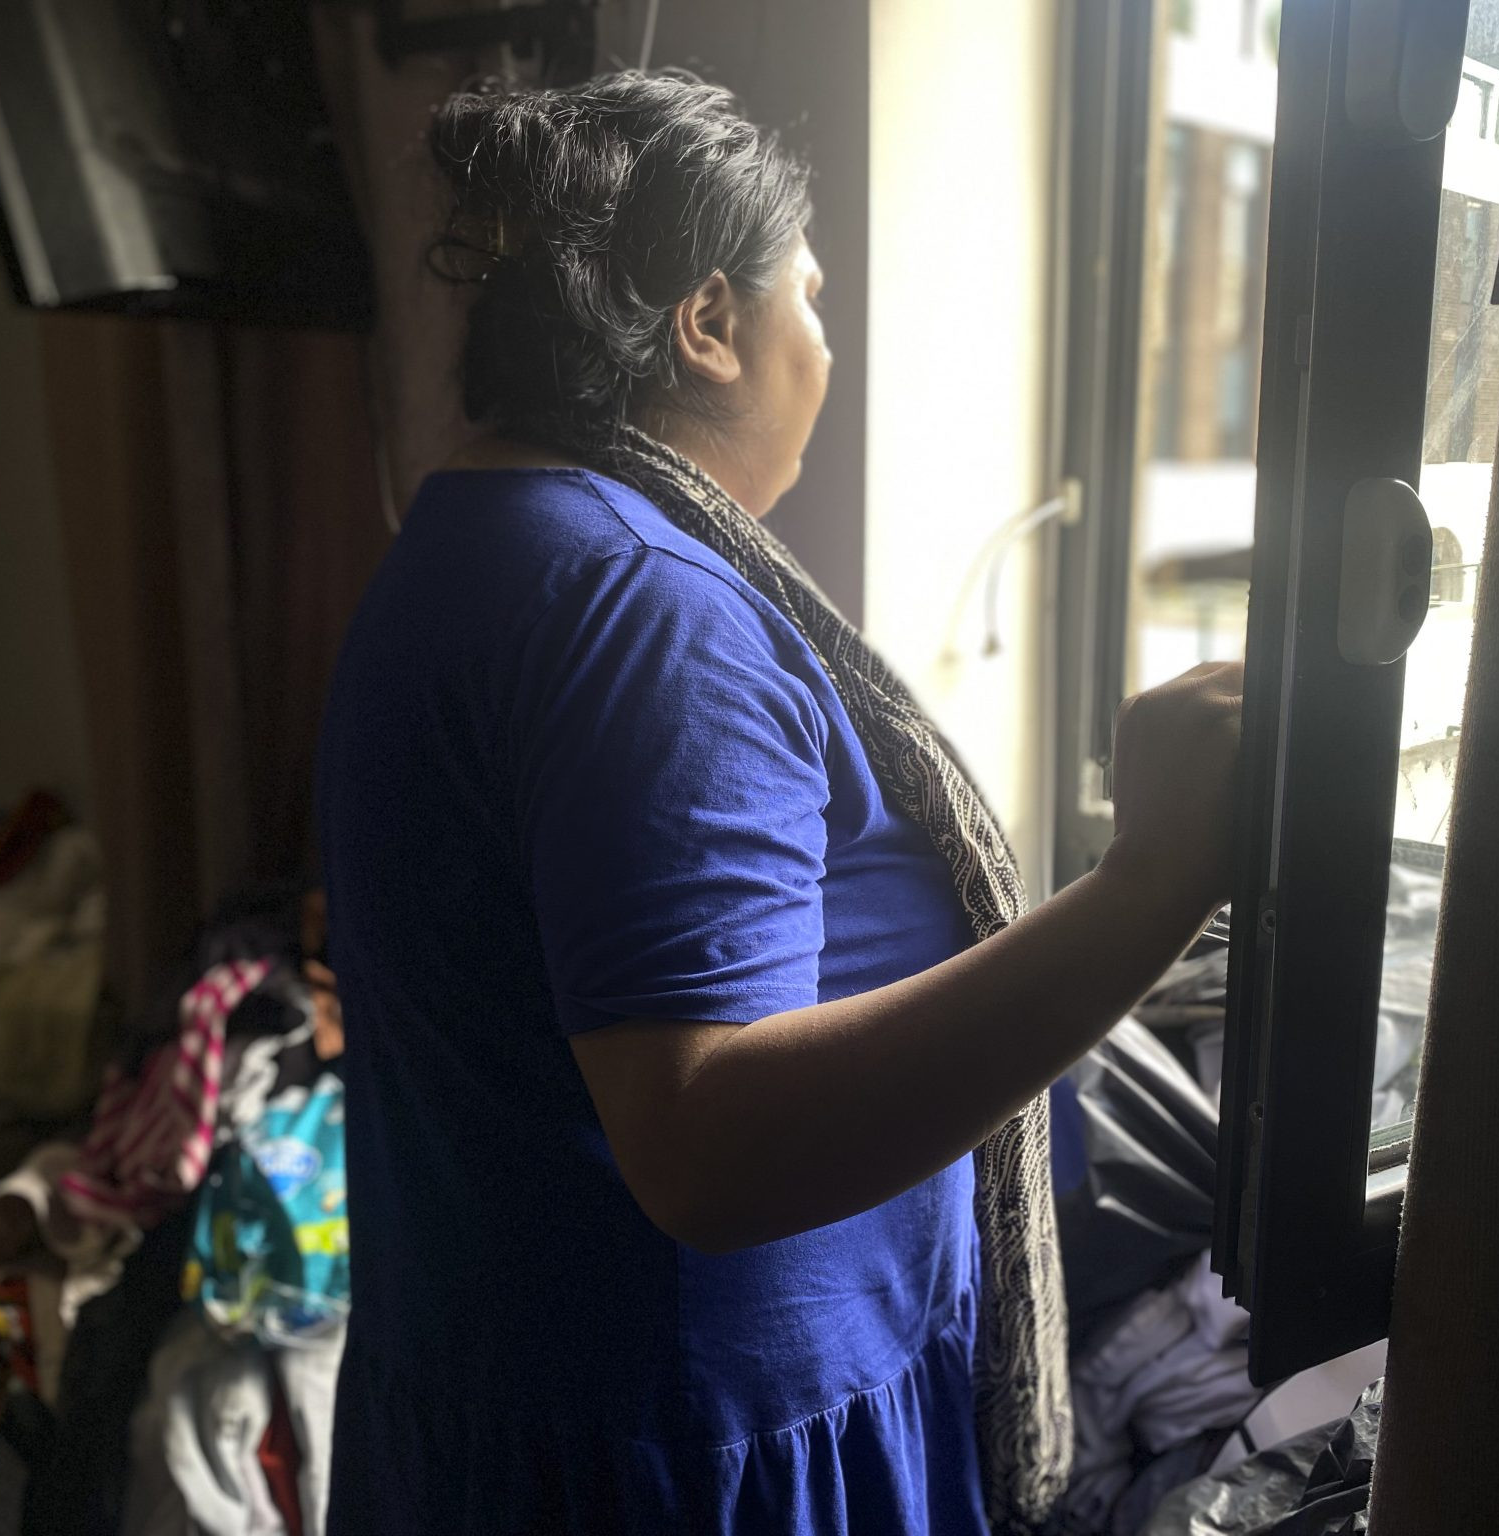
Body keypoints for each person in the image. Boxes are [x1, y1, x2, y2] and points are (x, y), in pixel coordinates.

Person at [316, 70, 1243, 1535]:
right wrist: (1147, 887)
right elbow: (709, 1143)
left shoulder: (479, 534)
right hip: (701, 1463)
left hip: (537, 1410)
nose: (826, 342)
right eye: (809, 297)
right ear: (708, 322)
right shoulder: (643, 602)